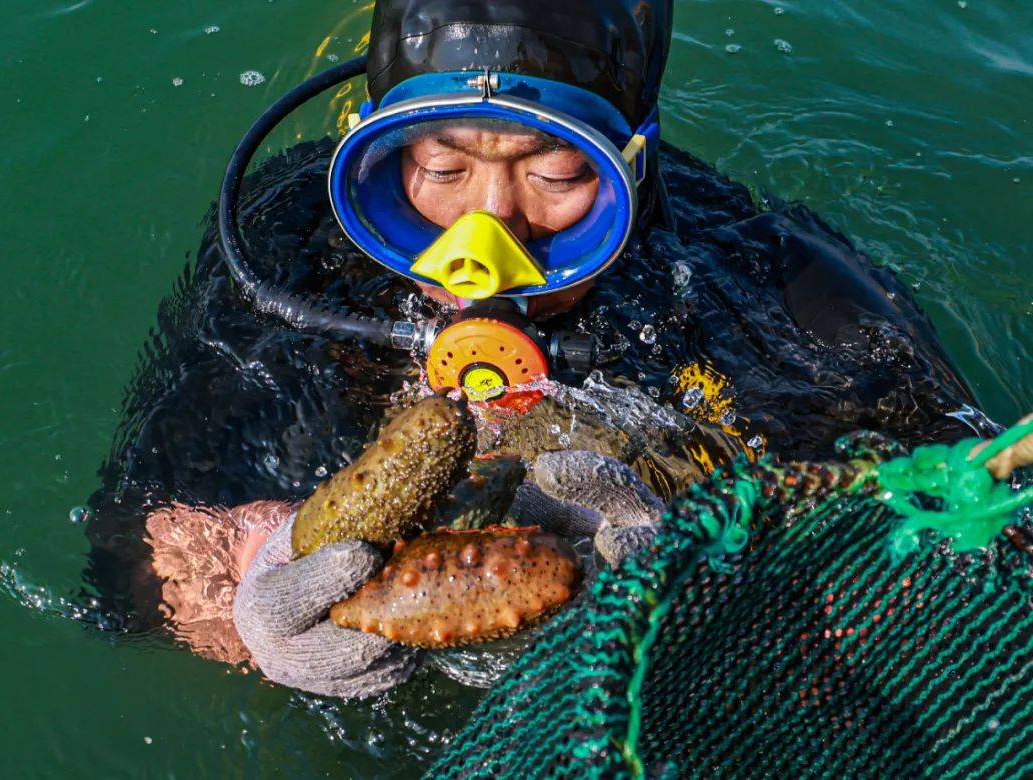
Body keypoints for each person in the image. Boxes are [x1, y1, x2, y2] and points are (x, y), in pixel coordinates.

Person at [84, 0, 1007, 698]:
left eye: (558, 174)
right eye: (442, 170)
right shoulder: (289, 243)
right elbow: (126, 560)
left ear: (628, 166)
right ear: (379, 156)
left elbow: (984, 536)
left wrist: (702, 574)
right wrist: (255, 580)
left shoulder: (769, 283)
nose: (487, 238)